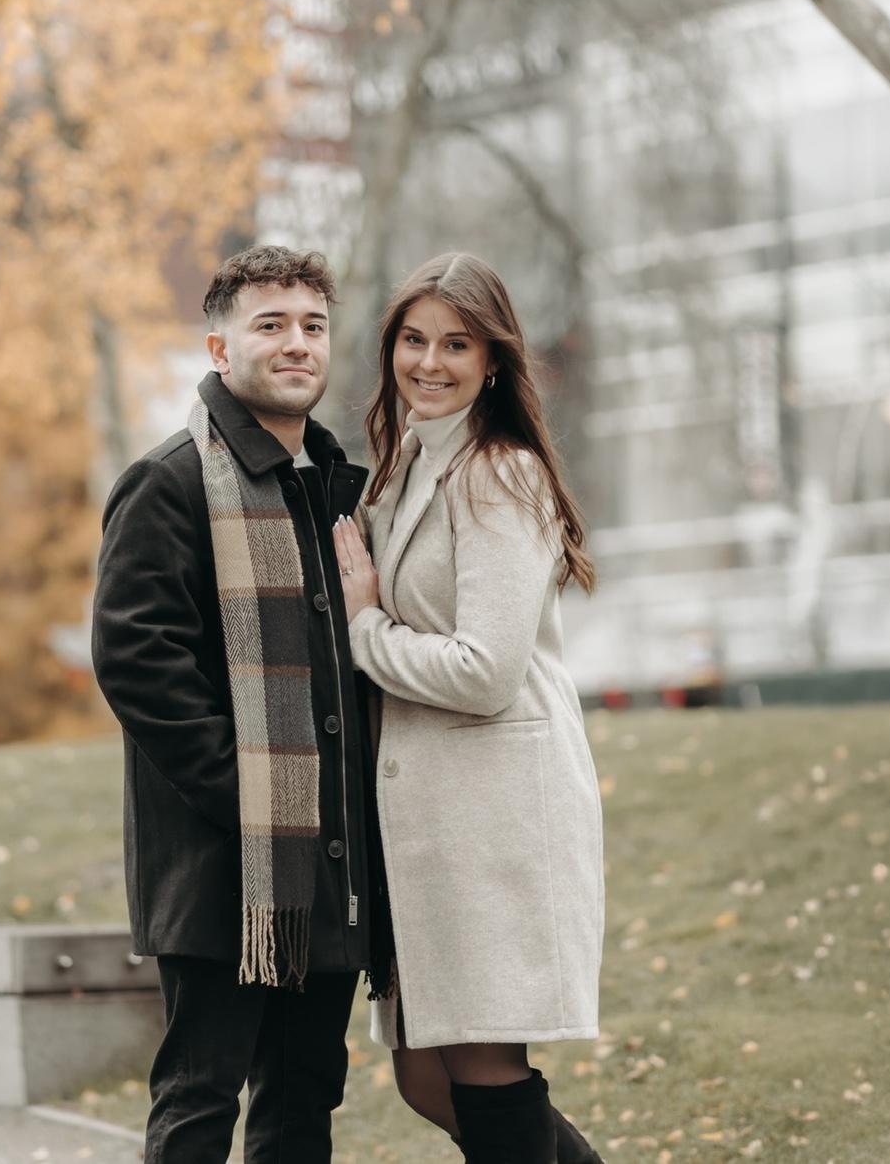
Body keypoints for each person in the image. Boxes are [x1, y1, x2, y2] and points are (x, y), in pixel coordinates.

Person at [91, 245, 384, 1164]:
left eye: (313, 325)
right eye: (271, 325)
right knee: (199, 1099)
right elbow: (137, 662)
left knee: (302, 1103)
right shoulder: (171, 481)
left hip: (326, 865)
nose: (298, 343)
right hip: (222, 864)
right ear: (220, 348)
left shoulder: (337, 487)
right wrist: (250, 796)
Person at [332, 252, 606, 1164]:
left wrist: (364, 627)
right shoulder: (407, 463)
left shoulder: (499, 474)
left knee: (482, 1068)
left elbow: (486, 671)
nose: (431, 362)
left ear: (493, 360)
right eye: (414, 340)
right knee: (426, 1078)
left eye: (457, 344)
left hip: (494, 814)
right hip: (430, 823)